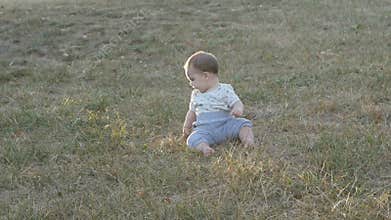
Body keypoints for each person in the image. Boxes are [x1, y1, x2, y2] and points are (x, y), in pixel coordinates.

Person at [182, 51, 255, 156]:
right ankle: (204, 148)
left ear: (205, 76)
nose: (190, 84)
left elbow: (237, 102)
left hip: (226, 125)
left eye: (192, 79)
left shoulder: (225, 90)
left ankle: (248, 141)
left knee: (243, 124)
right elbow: (192, 112)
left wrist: (238, 109)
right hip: (205, 130)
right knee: (192, 139)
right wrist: (187, 126)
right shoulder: (196, 95)